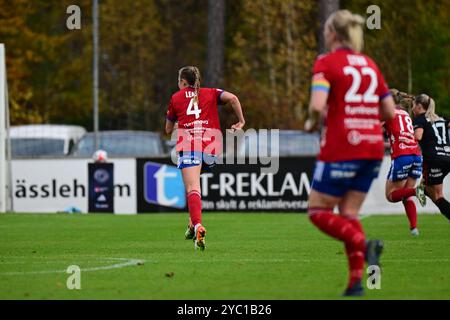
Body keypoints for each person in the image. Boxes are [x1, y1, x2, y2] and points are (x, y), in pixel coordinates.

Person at [305, 10, 396, 296]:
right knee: (348, 212)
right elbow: (390, 111)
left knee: (318, 211)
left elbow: (317, 105)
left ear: (333, 33)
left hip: (342, 146)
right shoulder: (370, 64)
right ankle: (356, 282)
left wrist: (310, 121)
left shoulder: (326, 62)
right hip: (372, 148)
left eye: (325, 29)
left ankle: (364, 245)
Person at [165, 66, 245, 250]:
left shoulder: (176, 98)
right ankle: (192, 225)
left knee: (192, 187)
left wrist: (179, 124)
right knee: (194, 185)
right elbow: (233, 98)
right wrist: (241, 121)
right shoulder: (211, 93)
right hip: (212, 148)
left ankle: (198, 226)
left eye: (179, 82)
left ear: (183, 82)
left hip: (190, 145)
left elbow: (168, 130)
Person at [384, 90, 426, 236]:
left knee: (390, 195)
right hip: (416, 156)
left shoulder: (387, 111)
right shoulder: (405, 113)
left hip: (402, 156)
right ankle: (414, 229)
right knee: (405, 195)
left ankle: (417, 191)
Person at [412, 94, 450, 221]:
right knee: (429, 185)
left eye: (413, 106)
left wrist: (405, 134)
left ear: (419, 106)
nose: (412, 109)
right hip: (447, 157)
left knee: (437, 196)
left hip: (434, 160)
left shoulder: (419, 119)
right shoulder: (440, 118)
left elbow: (418, 136)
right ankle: (423, 188)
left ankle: (424, 190)